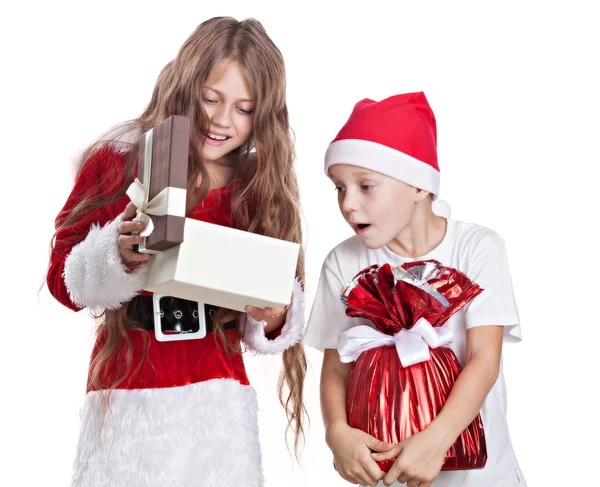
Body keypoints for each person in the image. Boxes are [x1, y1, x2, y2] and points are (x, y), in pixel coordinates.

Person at [47, 16, 306, 487]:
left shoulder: (254, 188)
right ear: (187, 85)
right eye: (211, 98)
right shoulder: (120, 158)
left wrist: (271, 314)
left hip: (219, 409)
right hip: (127, 397)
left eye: (244, 109)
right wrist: (115, 253)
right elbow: (63, 279)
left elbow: (270, 311)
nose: (223, 119)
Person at [303, 92, 526, 487]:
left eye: (365, 186)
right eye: (339, 188)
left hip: (479, 478)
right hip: (385, 476)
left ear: (419, 187)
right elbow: (336, 368)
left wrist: (437, 440)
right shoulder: (344, 263)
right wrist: (335, 430)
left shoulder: (477, 249)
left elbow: (483, 358)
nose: (348, 204)